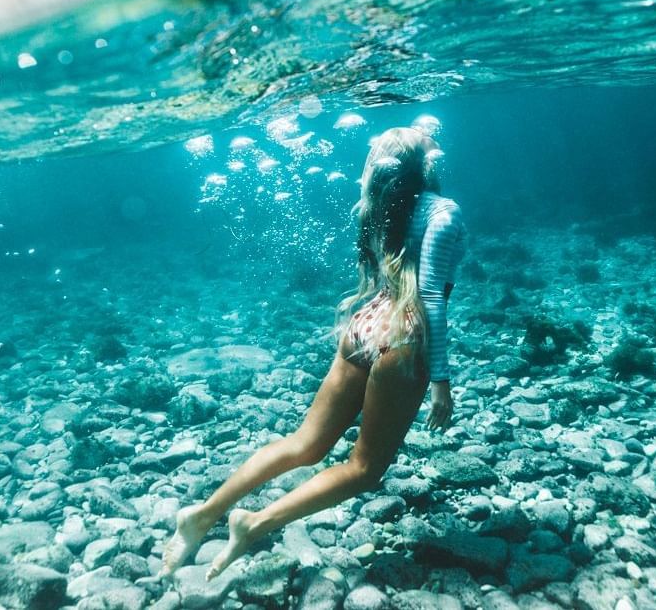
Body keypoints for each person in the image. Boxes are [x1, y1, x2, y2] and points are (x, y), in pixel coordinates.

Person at [161, 125, 467, 581]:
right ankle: (254, 524)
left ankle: (201, 515)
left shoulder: (377, 205)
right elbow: (432, 300)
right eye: (427, 142)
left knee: (303, 444)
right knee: (364, 469)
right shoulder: (444, 213)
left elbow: (391, 278)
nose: (433, 140)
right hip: (404, 338)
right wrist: (441, 383)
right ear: (422, 164)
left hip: (365, 325)